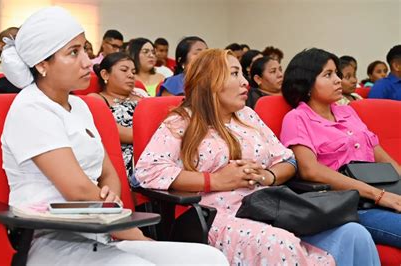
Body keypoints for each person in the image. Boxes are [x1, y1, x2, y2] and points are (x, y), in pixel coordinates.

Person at [0, 6, 228, 265]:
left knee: (209, 259)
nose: (88, 61)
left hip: (100, 231)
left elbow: (108, 171)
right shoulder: (31, 108)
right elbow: (76, 189)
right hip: (50, 238)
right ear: (42, 64)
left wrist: (109, 197)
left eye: (85, 49)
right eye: (73, 53)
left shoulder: (80, 106)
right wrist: (122, 223)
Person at [134, 48, 380, 266]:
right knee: (280, 243)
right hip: (219, 214)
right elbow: (147, 171)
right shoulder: (183, 121)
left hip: (270, 205)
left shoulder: (248, 116)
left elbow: (288, 160)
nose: (245, 83)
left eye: (243, 74)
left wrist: (269, 175)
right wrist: (215, 180)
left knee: (354, 234)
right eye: (234, 74)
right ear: (209, 81)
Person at [280, 48, 401, 249]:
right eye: (328, 75)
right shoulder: (297, 118)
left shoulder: (347, 112)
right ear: (307, 83)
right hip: (351, 204)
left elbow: (381, 155)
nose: (338, 80)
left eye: (336, 73)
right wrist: (378, 195)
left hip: (384, 193)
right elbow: (310, 170)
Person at [89, 52, 148, 180]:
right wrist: (156, 136)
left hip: (155, 150)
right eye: (124, 70)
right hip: (122, 158)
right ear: (105, 74)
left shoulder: (142, 96)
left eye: (133, 71)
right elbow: (113, 132)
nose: (131, 75)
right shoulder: (96, 100)